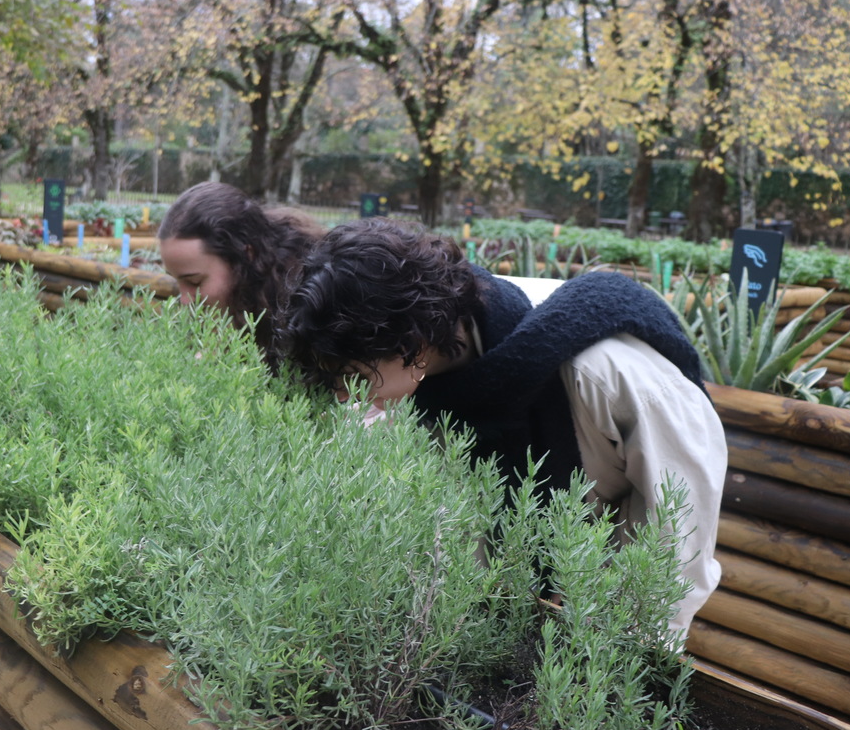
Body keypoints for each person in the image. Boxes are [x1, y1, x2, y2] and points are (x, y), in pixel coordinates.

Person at [277, 218, 726, 634]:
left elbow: (676, 551)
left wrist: (604, 650)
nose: (342, 396)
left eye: (352, 377)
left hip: (602, 641)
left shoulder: (609, 377)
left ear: (411, 345)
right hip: (491, 631)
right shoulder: (415, 382)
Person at [158, 181, 324, 364]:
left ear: (246, 257)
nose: (184, 300)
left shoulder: (312, 313)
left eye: (195, 282)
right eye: (175, 281)